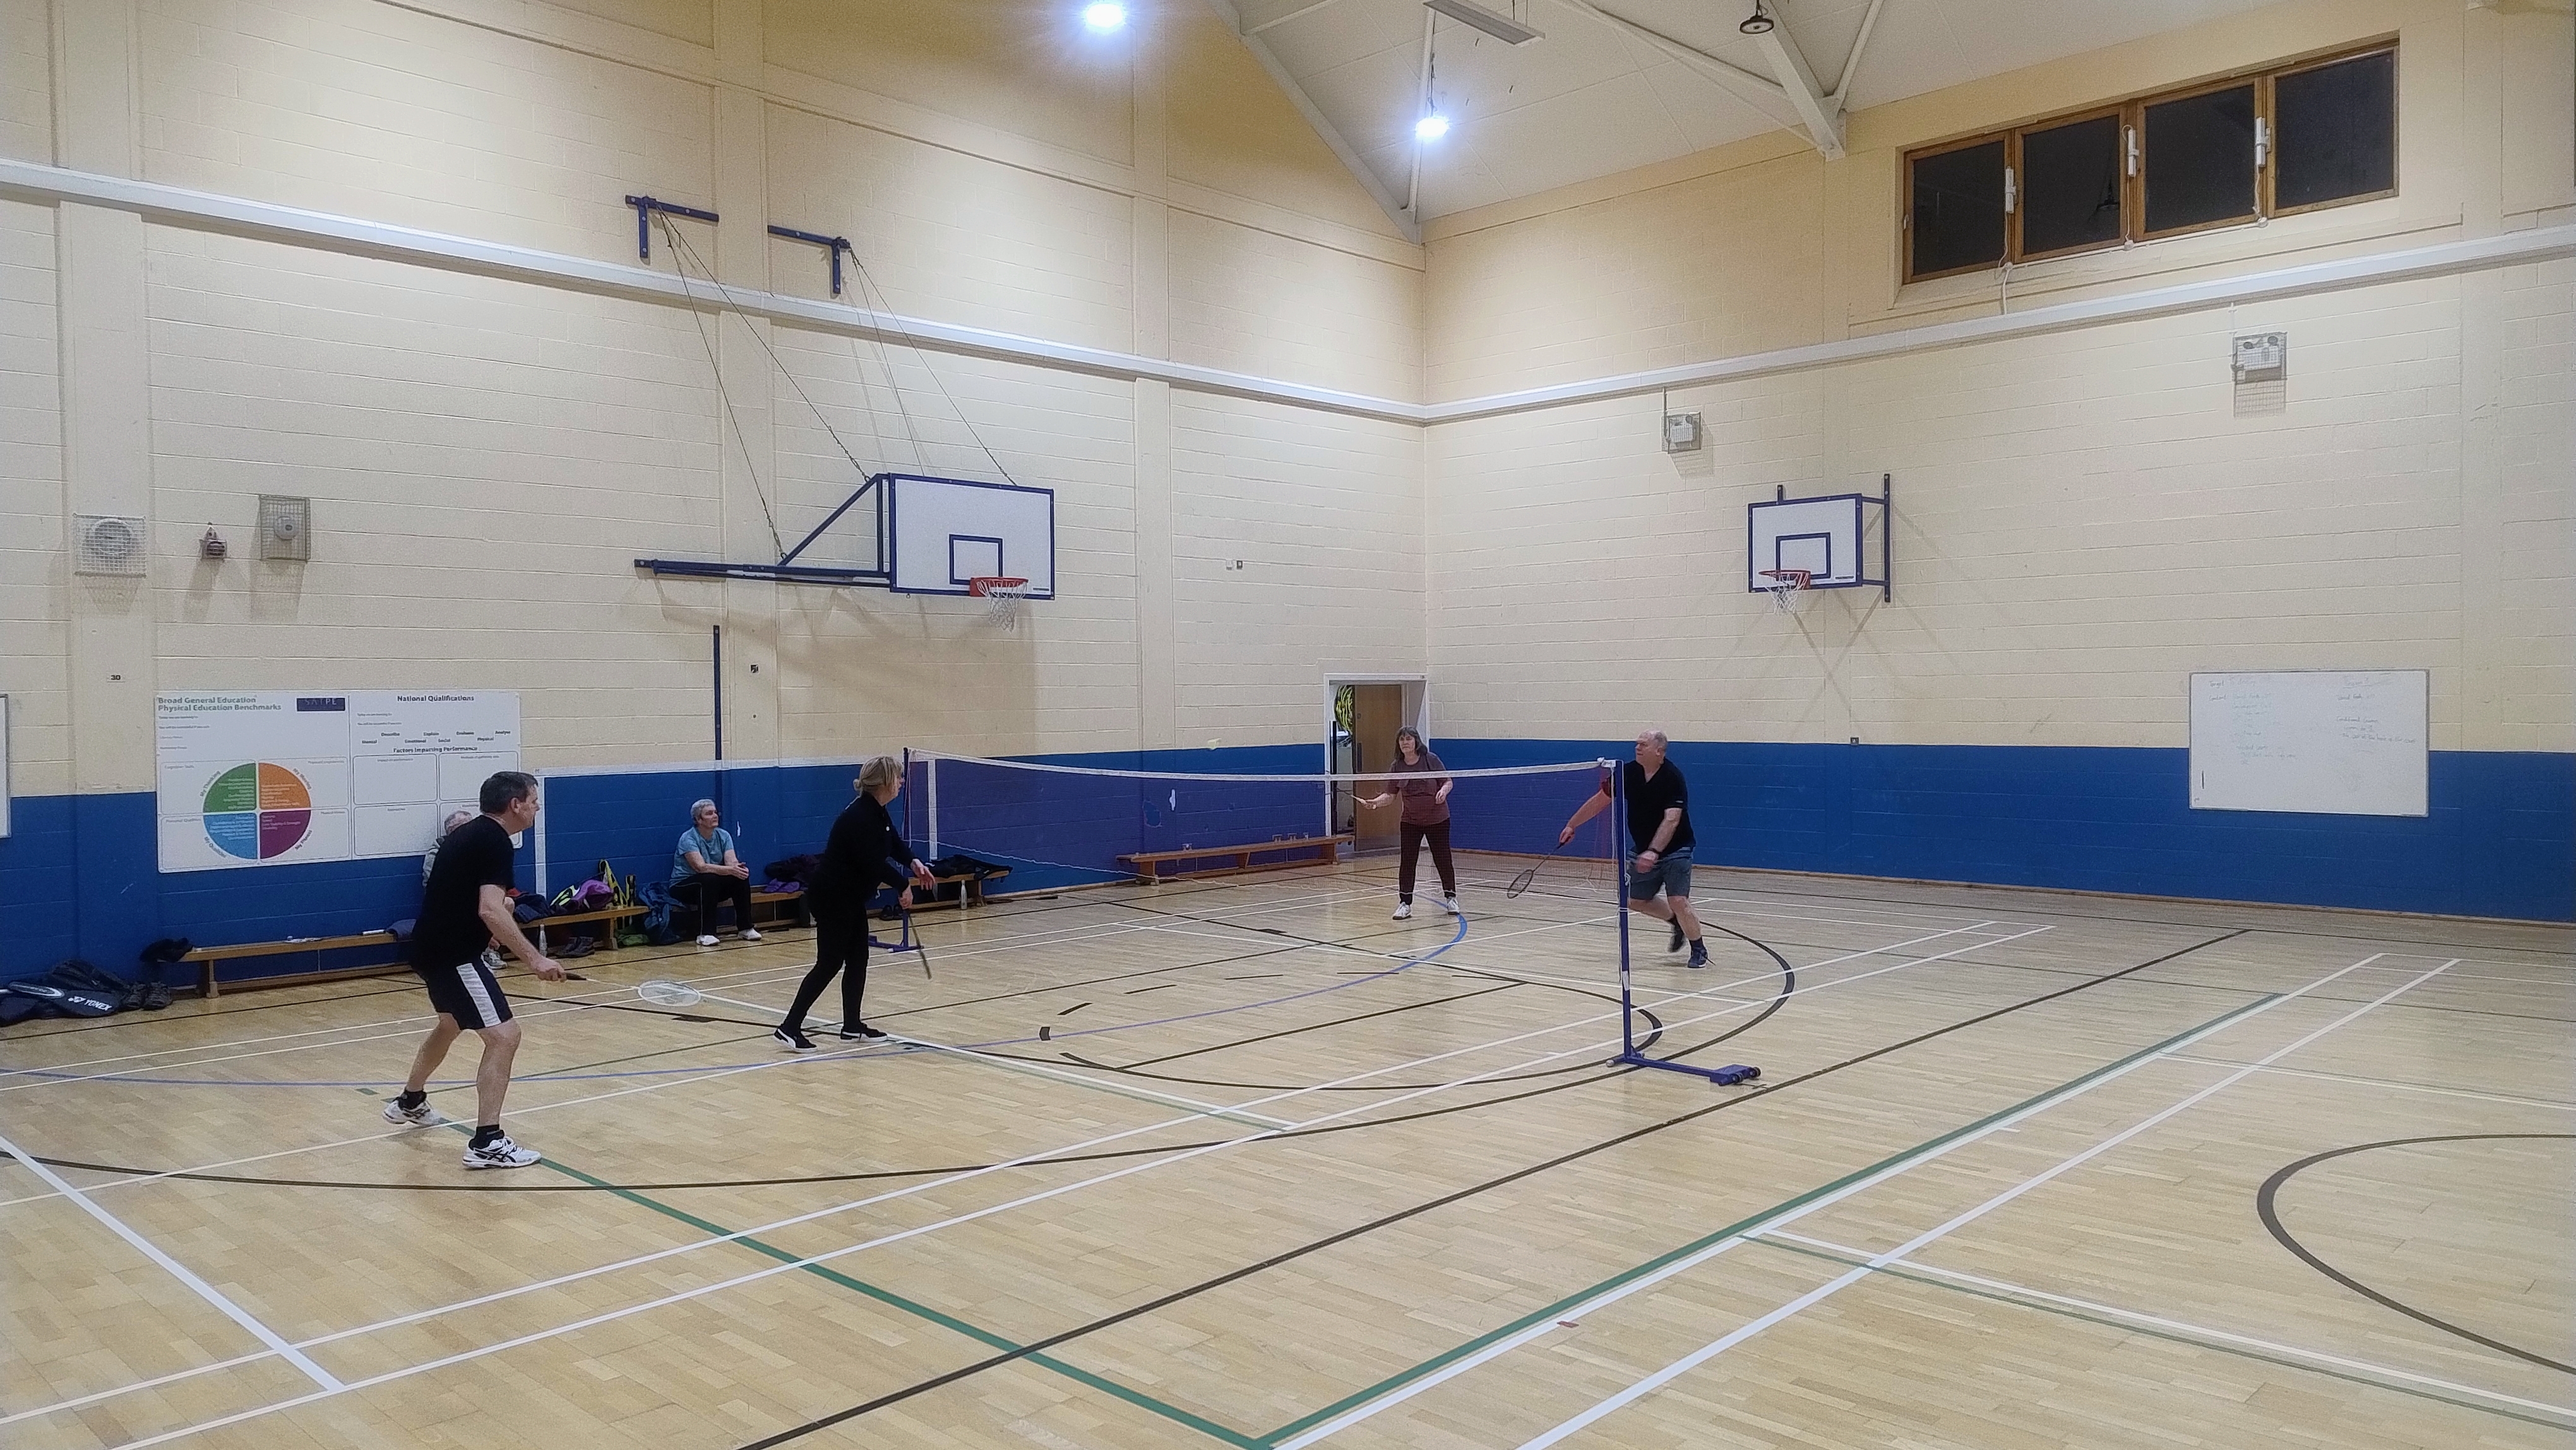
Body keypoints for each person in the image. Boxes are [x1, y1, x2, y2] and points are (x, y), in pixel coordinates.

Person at [384, 770, 565, 1168]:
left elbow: (478, 903)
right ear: (515, 804)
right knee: (505, 1037)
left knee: (450, 1024)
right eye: (533, 800)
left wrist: (498, 921)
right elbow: (487, 908)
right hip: (453, 955)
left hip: (431, 948)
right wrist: (535, 959)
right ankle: (487, 1141)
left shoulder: (473, 834)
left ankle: (410, 1101)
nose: (537, 807)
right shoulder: (495, 841)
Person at [777, 755, 934, 1051]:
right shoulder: (859, 817)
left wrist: (913, 862)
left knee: (859, 958)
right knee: (829, 963)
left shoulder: (877, 811)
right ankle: (790, 1026)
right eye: (898, 778)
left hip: (849, 897)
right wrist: (903, 885)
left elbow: (893, 843)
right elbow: (873, 863)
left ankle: (851, 1026)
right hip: (832, 897)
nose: (902, 782)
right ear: (886, 782)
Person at [1559, 729, 1709, 968]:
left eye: (1644, 744)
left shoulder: (1672, 777)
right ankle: (1676, 923)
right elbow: (1601, 800)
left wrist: (1654, 851)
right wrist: (1572, 824)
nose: (1637, 747)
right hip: (1642, 849)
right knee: (1636, 900)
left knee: (1678, 900)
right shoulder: (1627, 773)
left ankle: (1699, 949)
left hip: (1676, 850)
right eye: (1637, 743)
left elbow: (1672, 819)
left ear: (1659, 751)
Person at [1356, 727, 1457, 921]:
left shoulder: (1431, 760)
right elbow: (1390, 795)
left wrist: (1443, 792)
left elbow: (1448, 782)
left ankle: (1451, 897)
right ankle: (1405, 904)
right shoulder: (1397, 767)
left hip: (1438, 819)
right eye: (1401, 740)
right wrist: (1375, 803)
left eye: (1408, 739)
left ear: (1416, 741)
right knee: (1408, 863)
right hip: (1410, 821)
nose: (1405, 742)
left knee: (1443, 860)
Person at [671, 798, 761, 947]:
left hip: (712, 884)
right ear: (698, 820)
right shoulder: (688, 838)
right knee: (708, 879)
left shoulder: (724, 835)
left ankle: (746, 928)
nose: (715, 816)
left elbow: (731, 861)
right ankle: (705, 933)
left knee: (740, 877)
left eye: (715, 812)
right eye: (709, 814)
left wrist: (737, 868)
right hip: (683, 886)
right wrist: (730, 870)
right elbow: (700, 867)